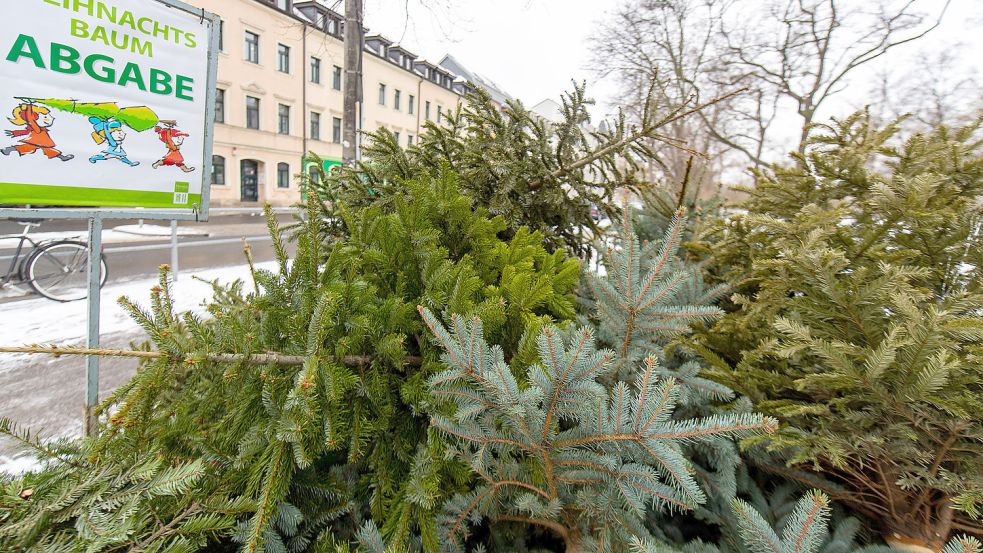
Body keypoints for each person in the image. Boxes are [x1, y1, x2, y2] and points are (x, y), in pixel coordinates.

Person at [1, 103, 74, 161]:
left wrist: (15, 133)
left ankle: (8, 150)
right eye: (45, 117)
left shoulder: (40, 129)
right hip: (37, 142)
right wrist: (29, 108)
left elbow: (26, 131)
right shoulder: (37, 128)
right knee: (41, 149)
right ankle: (62, 157)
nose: (51, 119)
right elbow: (30, 120)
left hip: (39, 143)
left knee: (30, 148)